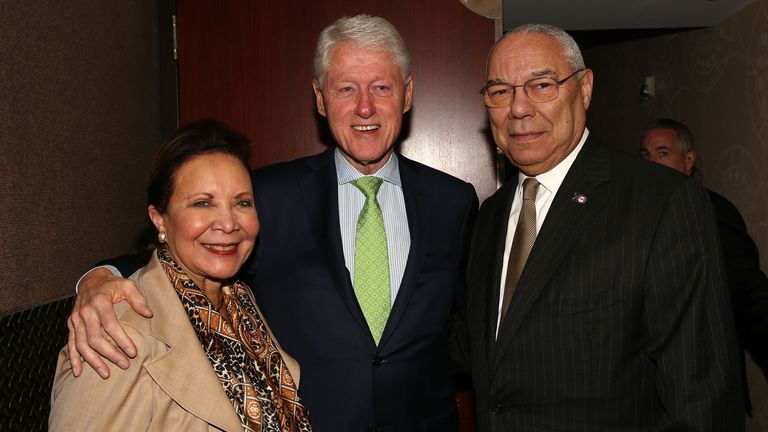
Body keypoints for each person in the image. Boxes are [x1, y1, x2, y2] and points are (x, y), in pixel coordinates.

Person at [66, 15, 477, 432]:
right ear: (320, 99)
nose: (365, 107)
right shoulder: (267, 194)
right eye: (346, 89)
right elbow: (187, 245)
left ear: (407, 95)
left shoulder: (453, 202)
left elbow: (472, 322)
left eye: (382, 87)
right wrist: (100, 278)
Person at [451, 24, 744, 430]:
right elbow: (477, 349)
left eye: (541, 85)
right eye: (501, 91)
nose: (519, 108)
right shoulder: (490, 214)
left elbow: (702, 399)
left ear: (585, 88)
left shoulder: (661, 202)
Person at [50, 119, 311, 431]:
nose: (228, 223)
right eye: (203, 203)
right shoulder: (114, 333)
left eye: (242, 202)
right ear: (160, 219)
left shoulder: (239, 302)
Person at [641, 118, 768, 381]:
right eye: (645, 155)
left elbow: (744, 290)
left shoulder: (713, 212)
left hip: (702, 377)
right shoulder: (636, 215)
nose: (650, 163)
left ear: (688, 161)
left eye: (663, 153)